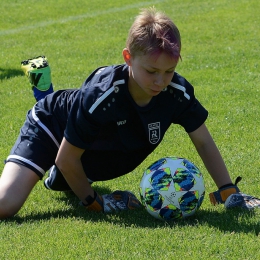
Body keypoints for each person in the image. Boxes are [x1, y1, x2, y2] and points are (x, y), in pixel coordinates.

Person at [0, 7, 259, 220]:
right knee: (4, 205)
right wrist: (96, 203)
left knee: (65, 178)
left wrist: (227, 191)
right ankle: (43, 87)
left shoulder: (175, 92)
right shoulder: (103, 94)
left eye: (168, 71)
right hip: (51, 124)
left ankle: (60, 174)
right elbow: (67, 159)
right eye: (151, 71)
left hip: (89, 147)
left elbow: (203, 140)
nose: (160, 81)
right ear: (128, 58)